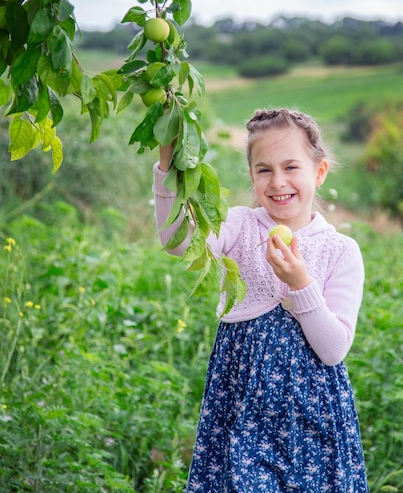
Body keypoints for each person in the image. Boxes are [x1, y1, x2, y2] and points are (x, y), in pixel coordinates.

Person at [152, 107, 369, 492]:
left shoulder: (340, 251)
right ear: (251, 176)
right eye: (264, 170)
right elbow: (178, 240)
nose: (278, 181)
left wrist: (300, 284)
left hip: (310, 416)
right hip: (243, 406)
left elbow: (334, 349)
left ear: (319, 172)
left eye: (291, 167)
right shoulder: (238, 225)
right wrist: (168, 159)